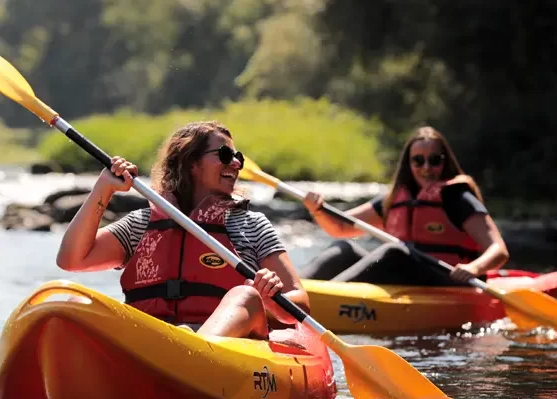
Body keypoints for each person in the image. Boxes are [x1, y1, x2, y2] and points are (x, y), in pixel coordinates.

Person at [57, 120, 308, 339]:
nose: (235, 164)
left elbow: (301, 303)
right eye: (224, 154)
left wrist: (270, 298)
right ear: (191, 164)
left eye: (237, 157)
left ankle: (196, 349)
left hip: (223, 349)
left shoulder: (252, 224)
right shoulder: (142, 223)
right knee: (77, 301)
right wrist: (104, 188)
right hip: (151, 340)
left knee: (246, 296)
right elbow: (72, 259)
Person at [300, 125, 509, 286]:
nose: (427, 167)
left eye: (434, 160)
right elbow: (341, 228)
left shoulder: (457, 198)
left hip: (450, 281)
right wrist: (317, 210)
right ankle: (291, 293)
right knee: (343, 250)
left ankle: (323, 302)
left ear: (444, 162)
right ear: (409, 164)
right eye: (418, 161)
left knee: (395, 252)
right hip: (408, 279)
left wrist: (474, 268)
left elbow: (498, 249)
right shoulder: (395, 199)